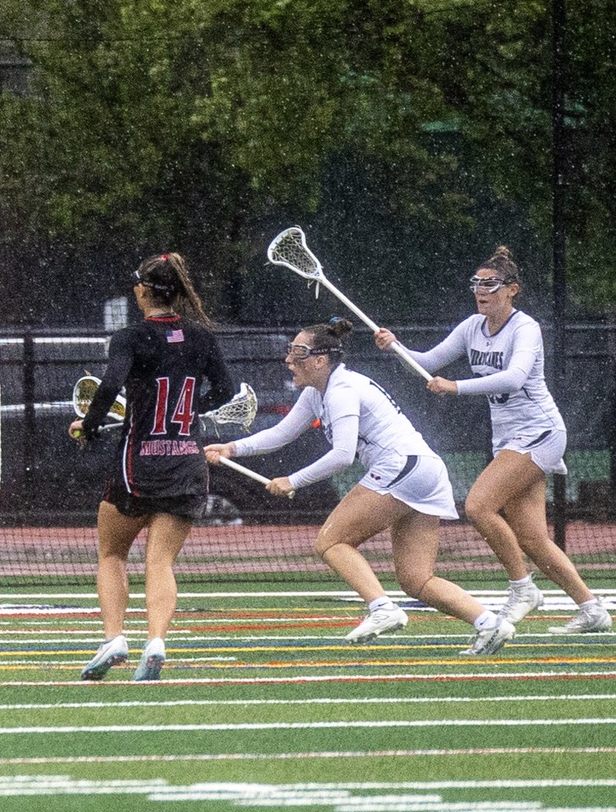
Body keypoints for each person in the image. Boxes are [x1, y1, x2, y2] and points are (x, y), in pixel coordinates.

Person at [205, 317, 515, 655]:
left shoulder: (341, 391)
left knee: (331, 541)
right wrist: (232, 448)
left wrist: (293, 481)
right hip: (423, 469)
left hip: (402, 466)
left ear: (321, 360)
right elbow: (281, 433)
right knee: (416, 579)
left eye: (297, 352)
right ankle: (490, 623)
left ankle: (382, 609)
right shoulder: (317, 391)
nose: (288, 360)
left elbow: (342, 455)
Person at [374, 247, 611, 634]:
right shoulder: (471, 327)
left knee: (479, 505)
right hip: (509, 439)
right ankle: (591, 608)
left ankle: (522, 588)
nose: (481, 291)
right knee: (533, 538)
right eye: (477, 284)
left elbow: (515, 377)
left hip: (540, 432)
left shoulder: (525, 328)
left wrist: (456, 387)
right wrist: (395, 346)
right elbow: (427, 362)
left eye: (490, 285)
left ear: (511, 289)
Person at [71, 253, 236, 682]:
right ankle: (157, 641)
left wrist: (89, 426)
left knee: (111, 553)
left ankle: (113, 639)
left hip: (138, 463)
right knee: (159, 562)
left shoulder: (131, 337)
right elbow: (226, 390)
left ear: (144, 290)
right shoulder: (200, 337)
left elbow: (109, 385)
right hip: (185, 460)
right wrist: (189, 410)